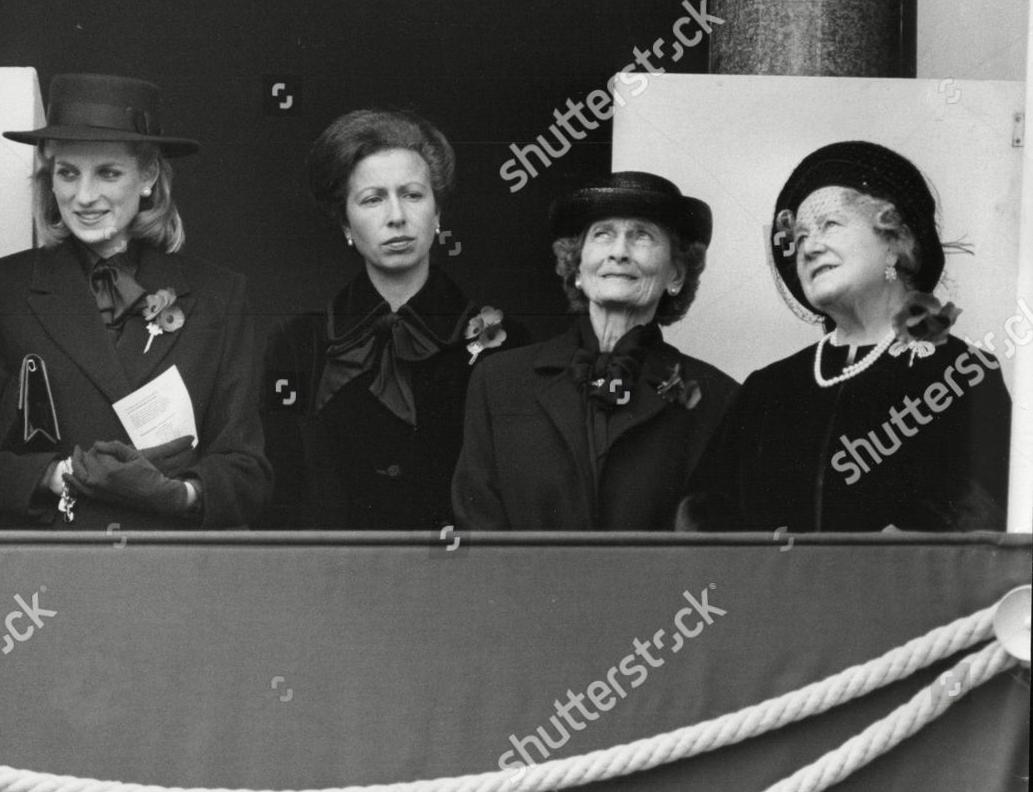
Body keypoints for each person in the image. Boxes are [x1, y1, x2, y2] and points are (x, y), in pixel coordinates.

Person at [0, 73, 270, 528]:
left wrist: (178, 495)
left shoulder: (218, 297)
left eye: (108, 173)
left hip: (170, 570)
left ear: (148, 175)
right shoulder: (0, 292)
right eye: (68, 173)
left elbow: (247, 471)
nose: (84, 196)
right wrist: (59, 476)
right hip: (50, 578)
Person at [680, 141, 1011, 531]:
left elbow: (977, 516)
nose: (809, 248)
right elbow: (702, 517)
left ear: (895, 241)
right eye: (800, 238)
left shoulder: (960, 373)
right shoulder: (766, 390)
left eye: (830, 225)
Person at [259, 109, 520, 528]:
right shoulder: (296, 344)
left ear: (437, 213)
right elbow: (280, 494)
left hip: (463, 580)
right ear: (345, 221)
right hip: (335, 580)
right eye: (373, 199)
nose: (396, 216)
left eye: (413, 195)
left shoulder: (505, 342)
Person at [452, 171, 737, 529]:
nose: (619, 252)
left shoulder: (719, 400)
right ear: (576, 267)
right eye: (603, 235)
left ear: (676, 274)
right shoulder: (499, 383)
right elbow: (479, 534)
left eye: (642, 236)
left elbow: (717, 556)